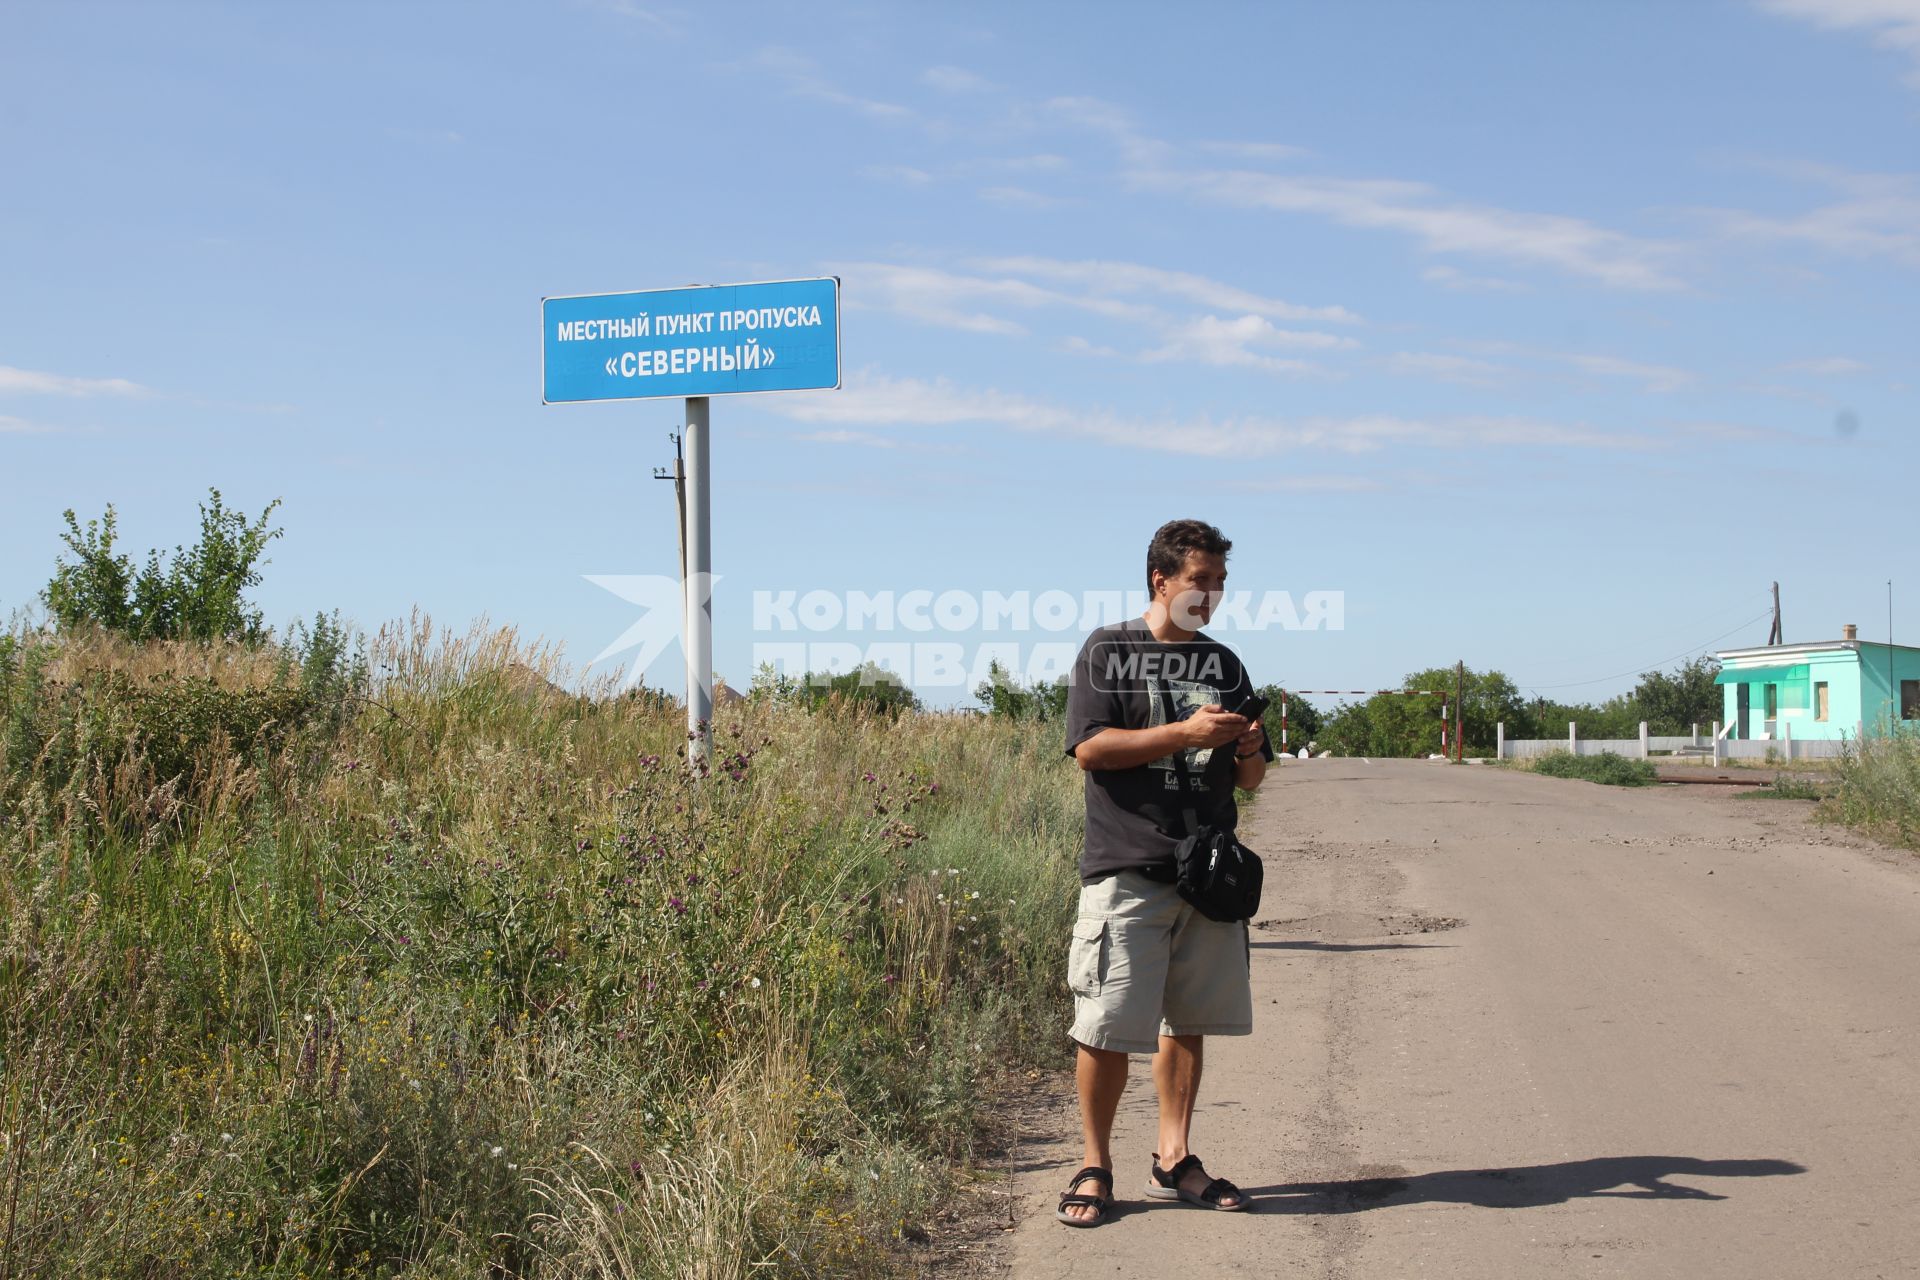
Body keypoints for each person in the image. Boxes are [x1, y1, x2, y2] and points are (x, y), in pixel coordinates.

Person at [1053, 519, 1274, 1228]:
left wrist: (1248, 748)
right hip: (1129, 866)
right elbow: (1090, 749)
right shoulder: (1109, 649)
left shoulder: (1225, 664)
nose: (1211, 595)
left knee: (1188, 1022)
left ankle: (1174, 1159)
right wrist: (1183, 733)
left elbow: (1254, 783)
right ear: (1161, 582)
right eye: (1199, 581)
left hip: (1206, 873)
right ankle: (1095, 1163)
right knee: (1107, 1025)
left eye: (1219, 583)